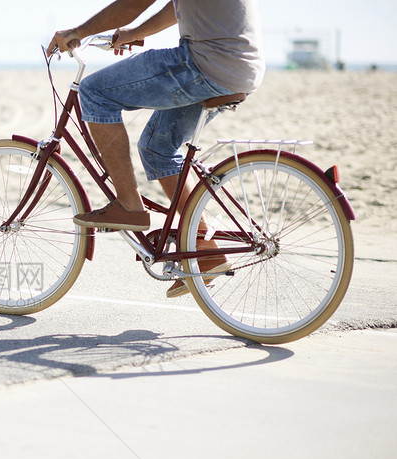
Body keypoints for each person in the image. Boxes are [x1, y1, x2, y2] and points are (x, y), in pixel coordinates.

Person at [46, 0, 264, 297]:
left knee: (94, 91)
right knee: (157, 147)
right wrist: (135, 31)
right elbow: (178, 5)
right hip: (238, 69)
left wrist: (79, 31)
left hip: (203, 64)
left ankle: (128, 206)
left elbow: (134, 3)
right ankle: (205, 249)